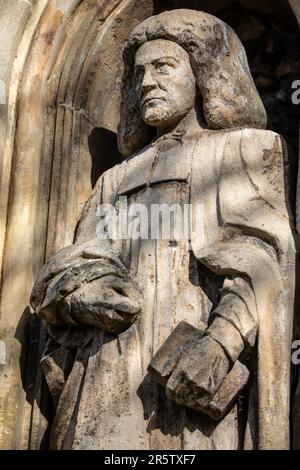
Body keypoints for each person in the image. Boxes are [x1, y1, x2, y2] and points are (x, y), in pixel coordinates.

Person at [30, 9, 295, 450]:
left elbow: (265, 260)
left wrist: (221, 343)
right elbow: (71, 266)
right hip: (106, 371)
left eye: (163, 67)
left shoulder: (244, 150)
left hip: (190, 363)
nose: (147, 82)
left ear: (203, 75)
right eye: (139, 73)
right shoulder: (111, 181)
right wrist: (80, 296)